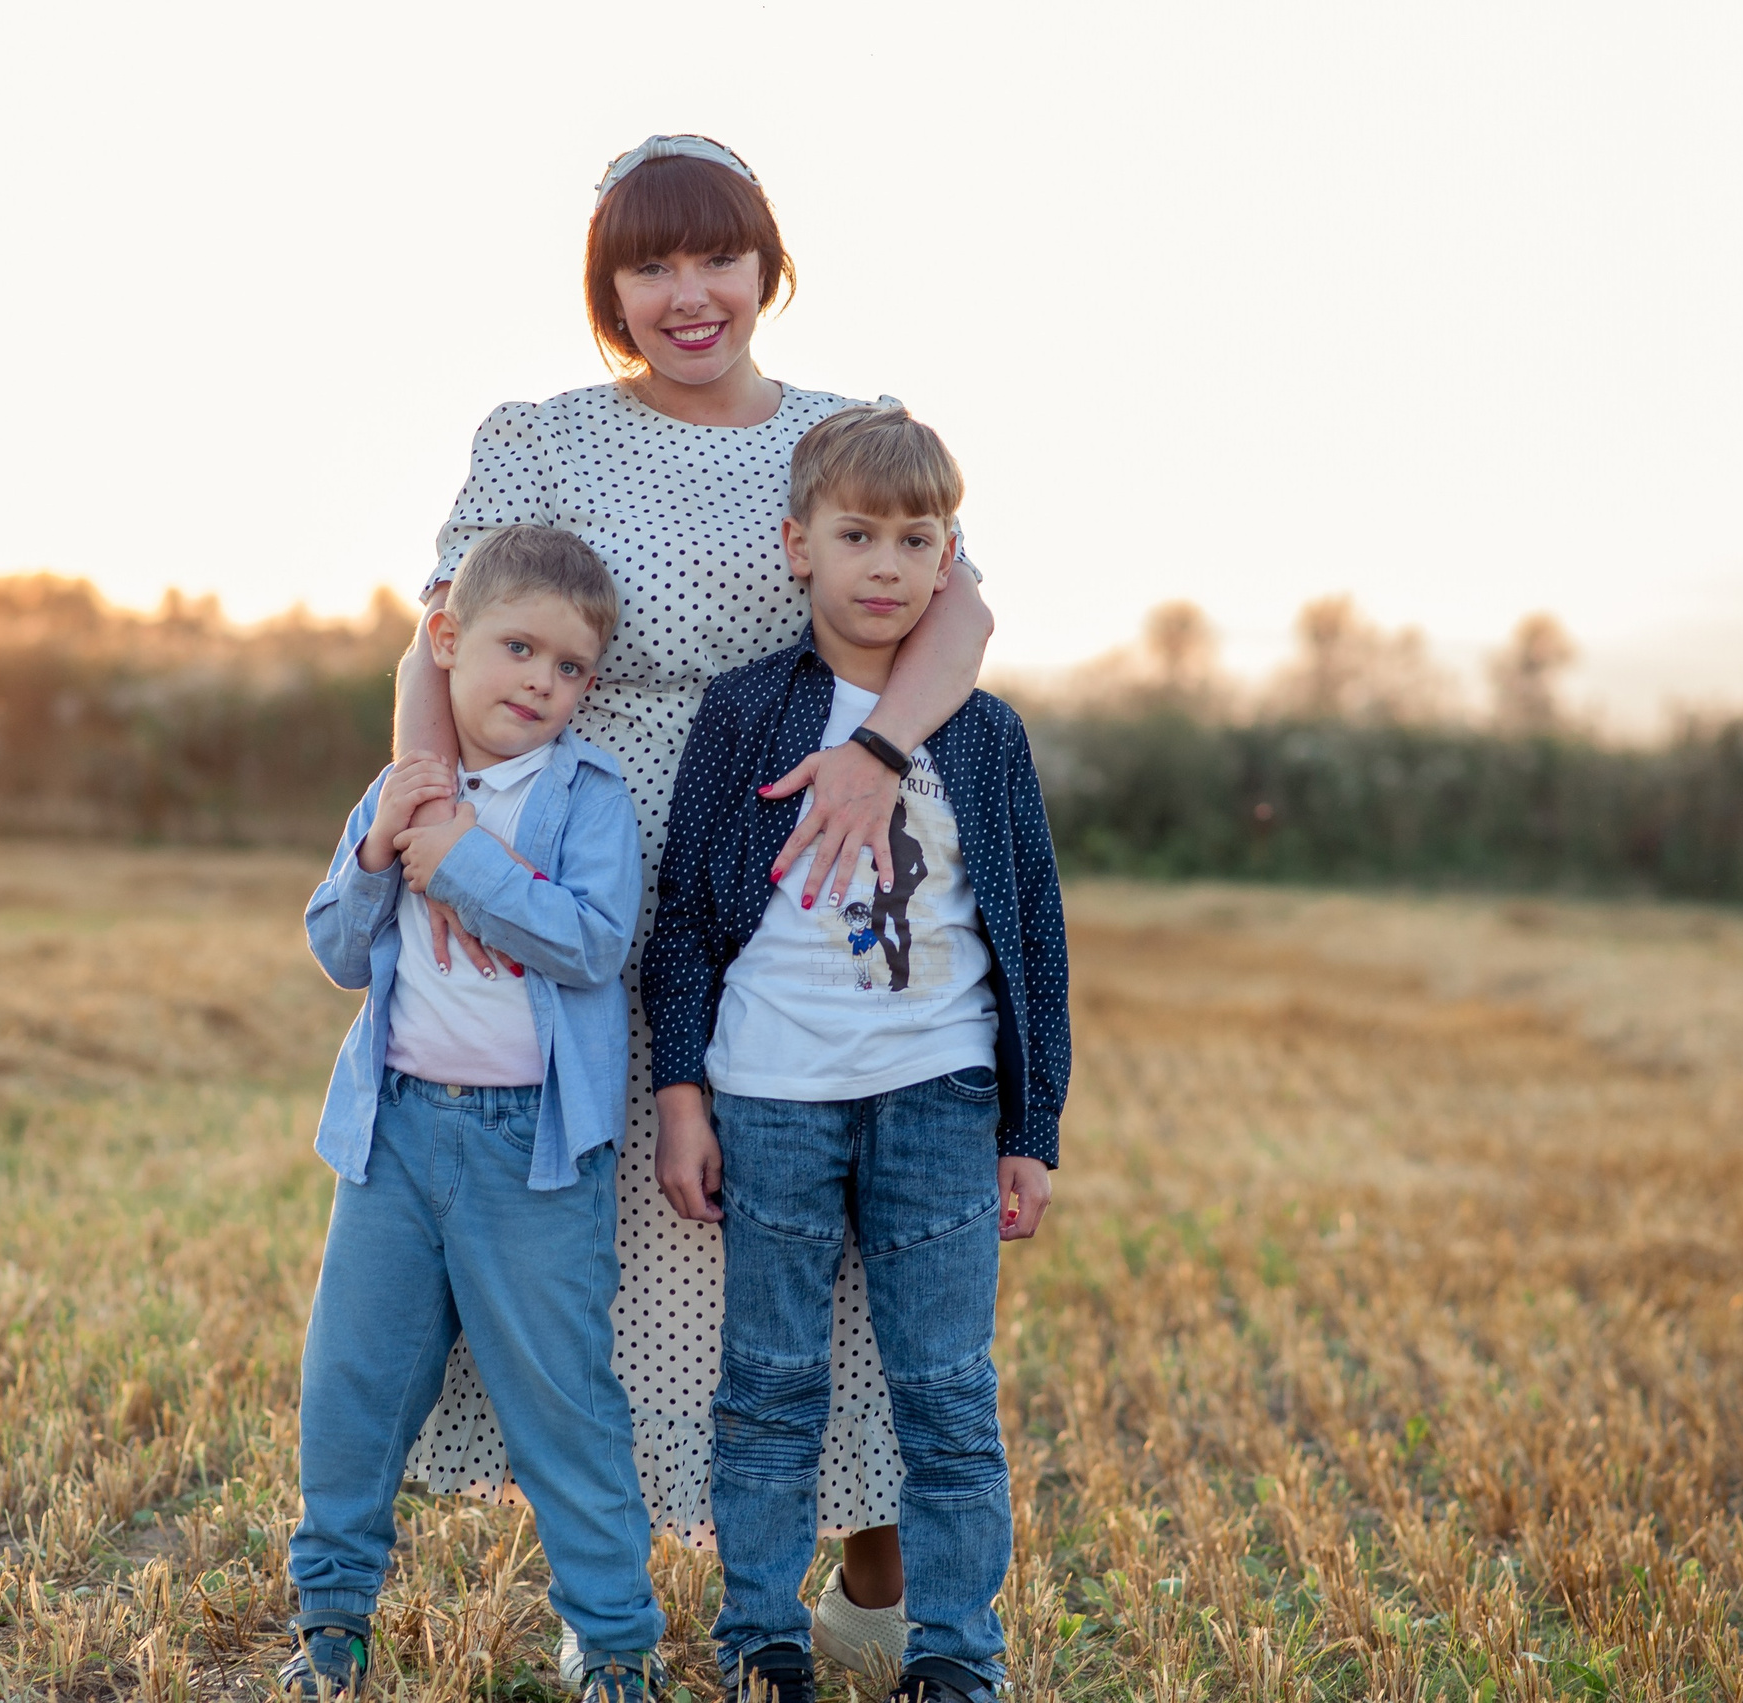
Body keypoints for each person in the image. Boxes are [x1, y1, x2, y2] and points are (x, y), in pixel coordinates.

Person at [390, 134, 1000, 1683]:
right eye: (647, 265)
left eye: (714, 256)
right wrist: (427, 803)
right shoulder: (538, 440)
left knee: (831, 1227)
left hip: (798, 854)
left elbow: (964, 613)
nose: (686, 292)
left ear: (765, 267)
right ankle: (623, 1600)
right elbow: (440, 638)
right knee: (608, 1216)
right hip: (573, 864)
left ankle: (877, 1586)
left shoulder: (847, 434)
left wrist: (873, 751)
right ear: (608, 288)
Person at [644, 405, 1067, 1703]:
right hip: (772, 1093)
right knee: (770, 1379)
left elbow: (1032, 934)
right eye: (856, 534)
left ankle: (955, 1654)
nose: (886, 563)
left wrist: (1028, 1125)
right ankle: (762, 1636)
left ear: (952, 559)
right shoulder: (745, 712)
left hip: (938, 1095)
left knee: (945, 1388)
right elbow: (688, 919)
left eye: (915, 537)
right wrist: (682, 1093)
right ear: (798, 546)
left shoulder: (981, 734)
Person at [290, 527, 667, 1702]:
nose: (540, 684)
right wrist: (379, 842)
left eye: (568, 669)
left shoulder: (588, 796)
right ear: (445, 643)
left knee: (563, 1402)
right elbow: (338, 950)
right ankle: (330, 1626)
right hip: (395, 1135)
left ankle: (612, 1643)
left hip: (531, 1153)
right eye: (517, 648)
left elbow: (594, 942)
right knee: (351, 1385)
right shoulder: (400, 786)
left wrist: (458, 861)